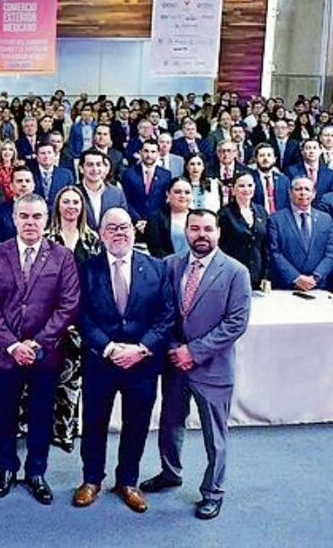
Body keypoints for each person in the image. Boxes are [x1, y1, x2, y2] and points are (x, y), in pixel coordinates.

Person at [141, 209, 251, 521]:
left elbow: (236, 323)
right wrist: (175, 348)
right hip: (175, 364)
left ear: (218, 232)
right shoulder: (170, 265)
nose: (201, 235)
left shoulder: (236, 272)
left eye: (207, 229)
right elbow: (160, 312)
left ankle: (213, 493)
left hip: (213, 368)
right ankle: (170, 473)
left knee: (214, 436)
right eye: (194, 228)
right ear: (186, 231)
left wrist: (194, 351)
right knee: (170, 425)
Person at [0, 193, 80, 505]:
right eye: (24, 216)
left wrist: (37, 343)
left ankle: (36, 472)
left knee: (41, 415)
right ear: (14, 219)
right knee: (5, 415)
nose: (30, 222)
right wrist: (12, 344)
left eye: (37, 216)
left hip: (45, 353)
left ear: (46, 219)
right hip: (5, 352)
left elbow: (68, 305)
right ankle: (7, 468)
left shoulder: (62, 256)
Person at [72, 207, 173, 513]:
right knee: (94, 423)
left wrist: (141, 349)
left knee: (137, 424)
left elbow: (166, 316)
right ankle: (91, 480)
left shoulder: (157, 268)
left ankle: (128, 481)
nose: (119, 233)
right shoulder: (86, 269)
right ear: (101, 235)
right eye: (112, 228)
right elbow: (80, 315)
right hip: (100, 362)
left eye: (125, 227)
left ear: (133, 230)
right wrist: (108, 348)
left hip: (142, 364)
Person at [40, 184, 101, 451]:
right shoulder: (45, 238)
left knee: (73, 377)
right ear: (57, 205)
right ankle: (42, 428)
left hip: (82, 318)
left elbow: (98, 282)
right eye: (66, 201)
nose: (71, 206)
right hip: (49, 318)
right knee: (46, 375)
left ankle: (65, 431)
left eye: (76, 202)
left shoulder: (92, 240)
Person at [267, 176, 333, 290]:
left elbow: (330, 253)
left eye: (307, 189)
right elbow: (274, 252)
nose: (303, 193)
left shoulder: (326, 219)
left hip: (318, 286)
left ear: (314, 194)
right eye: (298, 189)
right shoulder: (276, 219)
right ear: (290, 193)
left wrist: (316, 277)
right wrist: (296, 278)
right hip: (286, 285)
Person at [218, 173, 270, 290]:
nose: (246, 189)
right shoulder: (224, 214)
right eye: (242, 186)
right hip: (232, 274)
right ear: (233, 189)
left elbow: (266, 246)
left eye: (250, 185)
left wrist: (266, 276)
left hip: (257, 275)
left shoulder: (261, 211)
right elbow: (221, 248)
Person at [121, 138, 173, 233]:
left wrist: (152, 221)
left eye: (153, 152)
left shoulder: (166, 175)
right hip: (134, 224)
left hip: (157, 224)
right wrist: (138, 220)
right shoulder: (128, 173)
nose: (149, 155)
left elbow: (166, 201)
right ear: (140, 152)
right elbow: (125, 199)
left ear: (158, 154)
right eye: (146, 151)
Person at [77, 149, 128, 229]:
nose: (95, 169)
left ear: (105, 168)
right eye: (90, 165)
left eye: (98, 165)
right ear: (81, 169)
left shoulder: (117, 194)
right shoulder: (73, 193)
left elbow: (123, 223)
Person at [29, 141, 73, 209]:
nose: (46, 156)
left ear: (55, 155)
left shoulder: (66, 175)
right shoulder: (29, 173)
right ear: (37, 156)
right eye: (43, 153)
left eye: (49, 153)